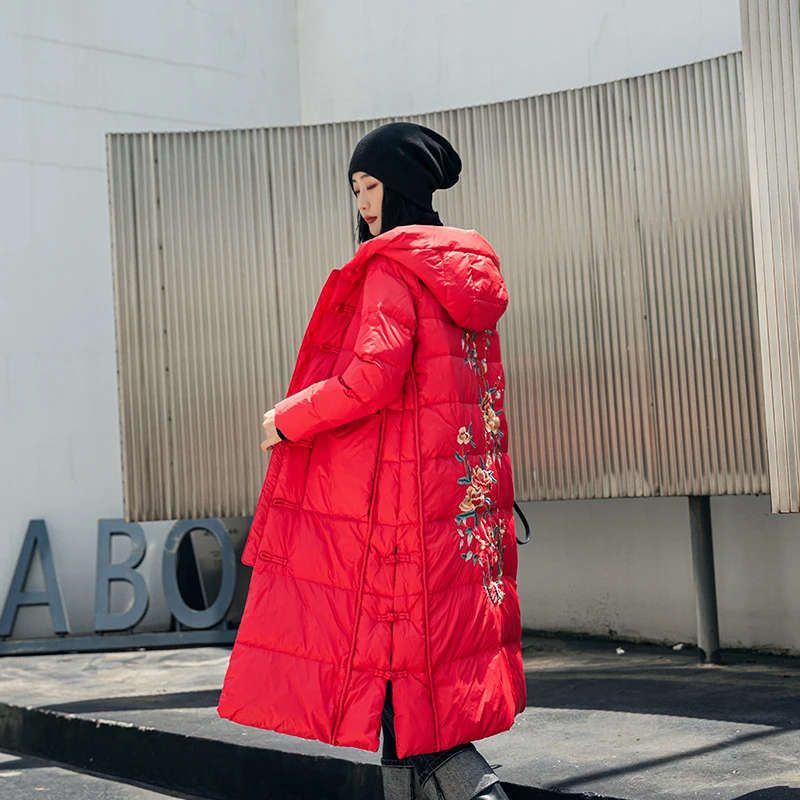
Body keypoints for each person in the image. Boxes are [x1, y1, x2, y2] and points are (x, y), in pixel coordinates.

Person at [217, 122, 527, 799]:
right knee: (414, 703)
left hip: (398, 520)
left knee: (407, 703)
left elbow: (371, 378)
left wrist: (286, 420)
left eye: (372, 185)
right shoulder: (464, 273)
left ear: (403, 187)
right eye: (355, 188)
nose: (362, 201)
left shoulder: (394, 266)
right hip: (456, 509)